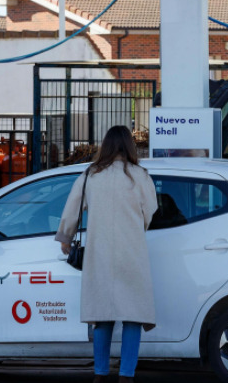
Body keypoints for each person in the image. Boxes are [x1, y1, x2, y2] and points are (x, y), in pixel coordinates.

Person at [56, 125, 158, 383]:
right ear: (129, 146)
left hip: (99, 253)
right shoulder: (140, 176)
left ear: (106, 145)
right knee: (133, 315)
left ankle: (100, 373)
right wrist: (136, 226)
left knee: (102, 315)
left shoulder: (91, 175)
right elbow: (151, 211)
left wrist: (66, 238)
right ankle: (127, 375)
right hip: (132, 253)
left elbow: (72, 209)